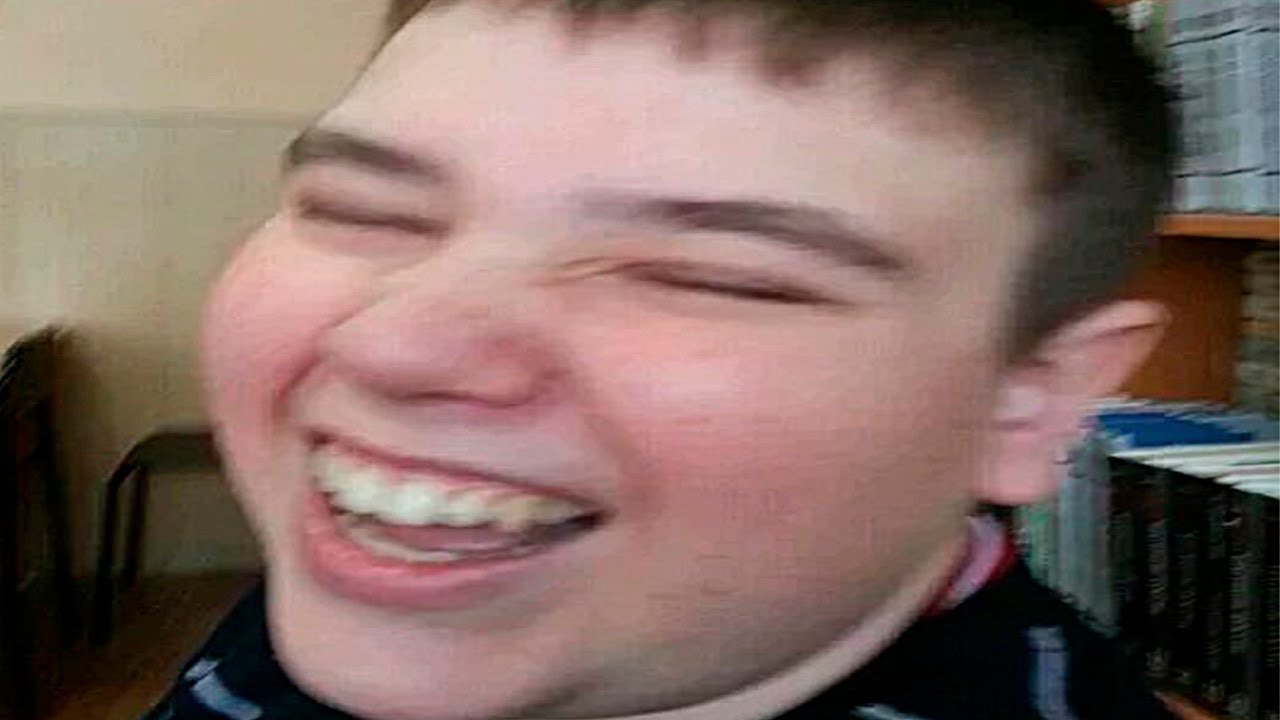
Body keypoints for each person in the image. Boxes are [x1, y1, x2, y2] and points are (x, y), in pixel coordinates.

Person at [147, 1, 1180, 718]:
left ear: (1026, 402)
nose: (392, 344)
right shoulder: (434, 552)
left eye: (710, 277)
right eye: (359, 210)